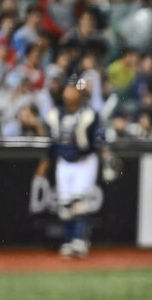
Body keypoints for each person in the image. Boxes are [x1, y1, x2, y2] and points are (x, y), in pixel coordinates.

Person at [36, 75, 104, 258]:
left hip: (84, 161)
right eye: (68, 89)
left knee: (80, 203)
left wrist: (107, 156)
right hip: (64, 162)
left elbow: (99, 139)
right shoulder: (54, 114)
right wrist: (43, 165)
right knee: (65, 205)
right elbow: (51, 144)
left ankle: (79, 241)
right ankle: (67, 240)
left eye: (73, 89)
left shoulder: (89, 114)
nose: (70, 92)